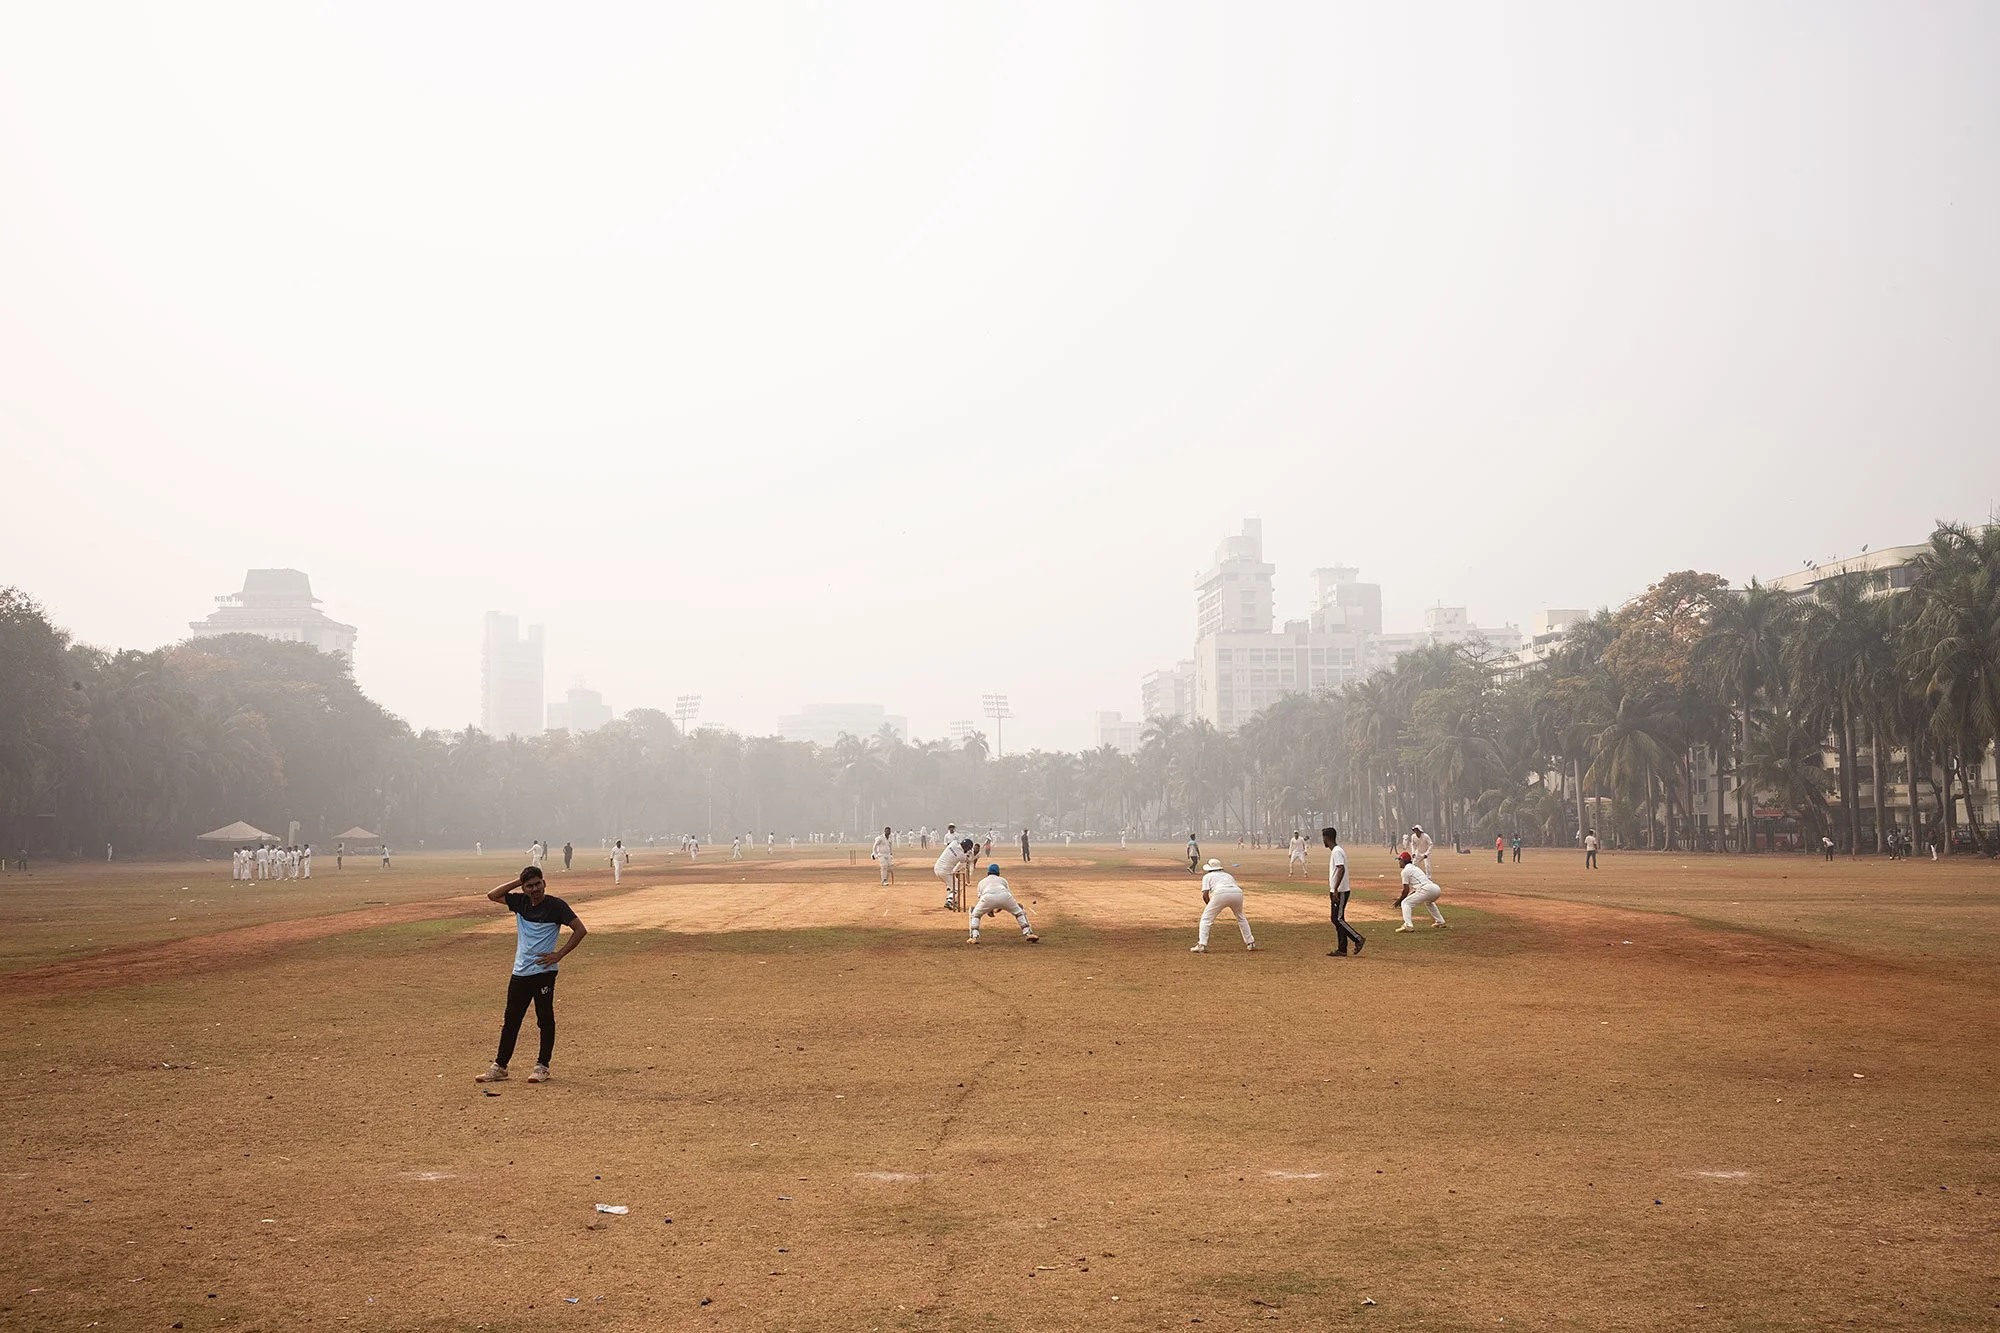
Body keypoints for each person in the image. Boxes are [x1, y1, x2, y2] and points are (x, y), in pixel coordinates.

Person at [476, 866, 586, 1085]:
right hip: (520, 971)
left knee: (544, 1019)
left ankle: (542, 1066)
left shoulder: (556, 906)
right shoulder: (521, 902)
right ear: (524, 888)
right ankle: (500, 1067)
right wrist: (518, 882)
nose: (535, 889)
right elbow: (492, 895)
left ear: (544, 883)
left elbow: (580, 930)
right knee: (511, 1020)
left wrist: (559, 954)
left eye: (538, 884)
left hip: (544, 972)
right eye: (529, 886)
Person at [1192, 859, 1256, 953]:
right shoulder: (1228, 875)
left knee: (1206, 919)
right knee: (1241, 917)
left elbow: (1205, 894)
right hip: (1237, 892)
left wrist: (1210, 906)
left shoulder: (1207, 876)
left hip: (1220, 893)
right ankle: (1250, 942)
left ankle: (1202, 945)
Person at [966, 863, 1039, 944]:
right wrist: (1000, 907)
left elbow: (981, 899)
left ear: (988, 873)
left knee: (975, 913)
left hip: (987, 897)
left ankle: (974, 937)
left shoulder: (982, 882)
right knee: (1019, 912)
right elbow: (1006, 896)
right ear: (998, 873)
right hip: (1005, 896)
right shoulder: (1003, 880)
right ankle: (1028, 933)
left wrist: (989, 910)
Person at [1322, 826, 1364, 957]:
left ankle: (1358, 939)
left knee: (1338, 919)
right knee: (1337, 919)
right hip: (1337, 890)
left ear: (1327, 838)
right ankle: (1342, 949)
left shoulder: (1336, 851)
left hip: (1340, 890)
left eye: (1323, 837)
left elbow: (1341, 869)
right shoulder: (1336, 851)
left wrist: (1335, 889)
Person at [1394, 851, 1447, 931]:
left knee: (1405, 903)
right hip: (1435, 889)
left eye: (1399, 860)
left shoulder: (1405, 871)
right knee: (1429, 902)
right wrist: (1403, 897)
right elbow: (1416, 889)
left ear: (1403, 860)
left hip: (1426, 889)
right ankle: (1440, 922)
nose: (1399, 862)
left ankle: (1408, 925)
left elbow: (1406, 889)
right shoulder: (1415, 868)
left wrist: (1400, 900)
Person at [934, 837, 973, 911]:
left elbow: (953, 842)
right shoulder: (961, 855)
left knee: (951, 885)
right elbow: (968, 860)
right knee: (957, 887)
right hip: (945, 872)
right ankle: (949, 901)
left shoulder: (954, 843)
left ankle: (954, 901)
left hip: (937, 868)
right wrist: (969, 854)